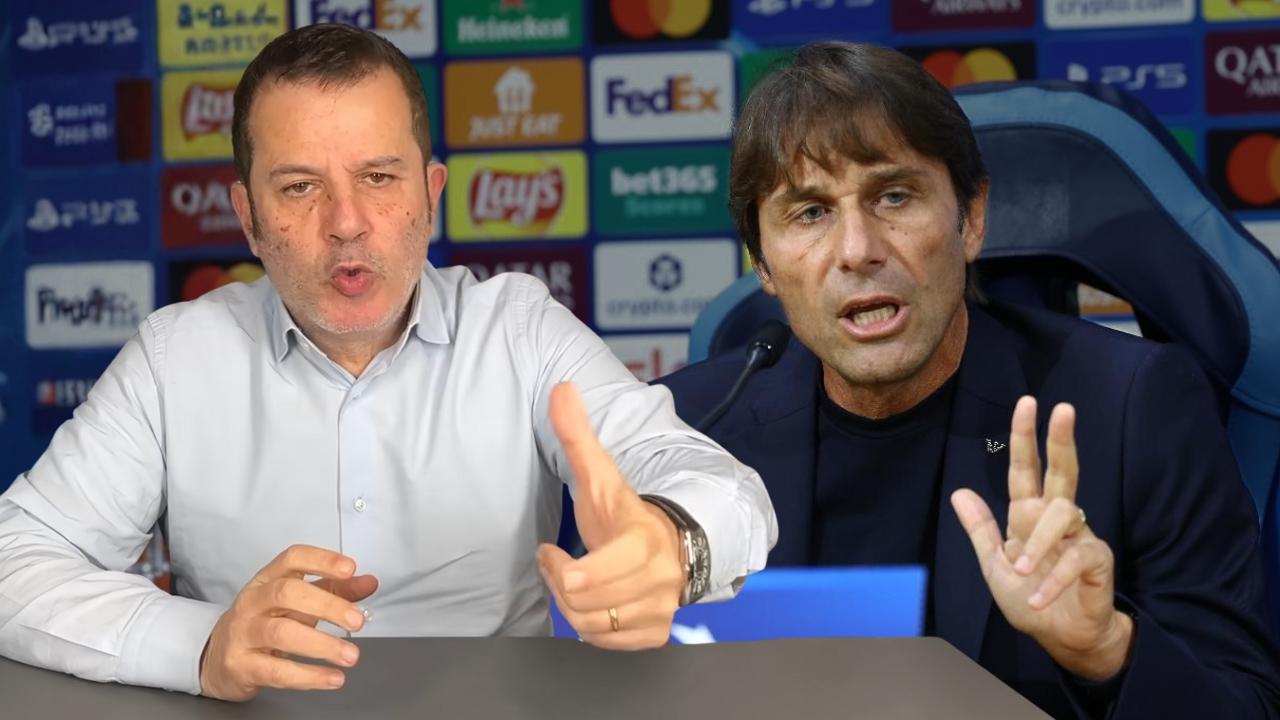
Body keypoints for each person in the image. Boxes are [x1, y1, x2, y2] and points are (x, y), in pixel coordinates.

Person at [0, 24, 776, 702]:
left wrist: (671, 545)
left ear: (430, 195)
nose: (347, 223)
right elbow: (13, 562)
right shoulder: (177, 360)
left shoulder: (519, 331)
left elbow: (726, 492)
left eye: (379, 177)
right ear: (249, 219)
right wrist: (203, 646)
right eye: (299, 187)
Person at [658, 41, 1280, 718]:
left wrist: (1108, 652)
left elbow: (1245, 704)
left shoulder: (1133, 409)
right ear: (764, 264)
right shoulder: (690, 431)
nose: (857, 250)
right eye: (810, 213)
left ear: (972, 219)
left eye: (894, 196)